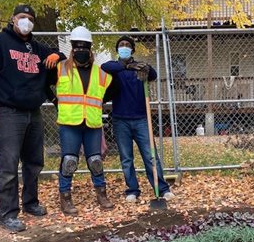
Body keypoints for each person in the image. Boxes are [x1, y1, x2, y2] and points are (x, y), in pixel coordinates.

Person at [0, 4, 64, 233]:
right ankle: (8, 213)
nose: (26, 22)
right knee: (8, 165)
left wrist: (55, 55)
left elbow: (59, 56)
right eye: (22, 17)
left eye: (30, 18)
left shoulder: (35, 47)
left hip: (34, 112)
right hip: (7, 112)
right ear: (12, 19)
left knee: (34, 162)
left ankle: (31, 203)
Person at [101, 36, 174, 202]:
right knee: (126, 159)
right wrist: (126, 65)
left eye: (127, 45)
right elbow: (104, 66)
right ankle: (132, 190)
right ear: (117, 49)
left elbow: (153, 74)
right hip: (120, 120)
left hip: (142, 119)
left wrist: (146, 68)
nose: (124, 47)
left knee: (151, 156)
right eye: (121, 45)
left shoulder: (141, 68)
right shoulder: (114, 69)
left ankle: (162, 188)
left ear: (133, 49)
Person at [54, 26, 114, 215]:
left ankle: (101, 194)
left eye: (84, 46)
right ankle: (65, 197)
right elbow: (41, 84)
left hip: (92, 123)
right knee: (69, 161)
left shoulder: (101, 73)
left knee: (95, 160)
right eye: (77, 47)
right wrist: (54, 100)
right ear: (72, 48)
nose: (80, 50)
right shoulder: (61, 68)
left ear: (90, 49)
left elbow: (109, 92)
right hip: (70, 123)